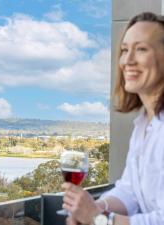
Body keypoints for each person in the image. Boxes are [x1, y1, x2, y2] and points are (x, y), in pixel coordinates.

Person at [62, 12, 164, 225]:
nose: (127, 60)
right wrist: (98, 206)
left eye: (142, 49)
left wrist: (99, 219)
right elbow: (129, 190)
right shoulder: (144, 124)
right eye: (125, 50)